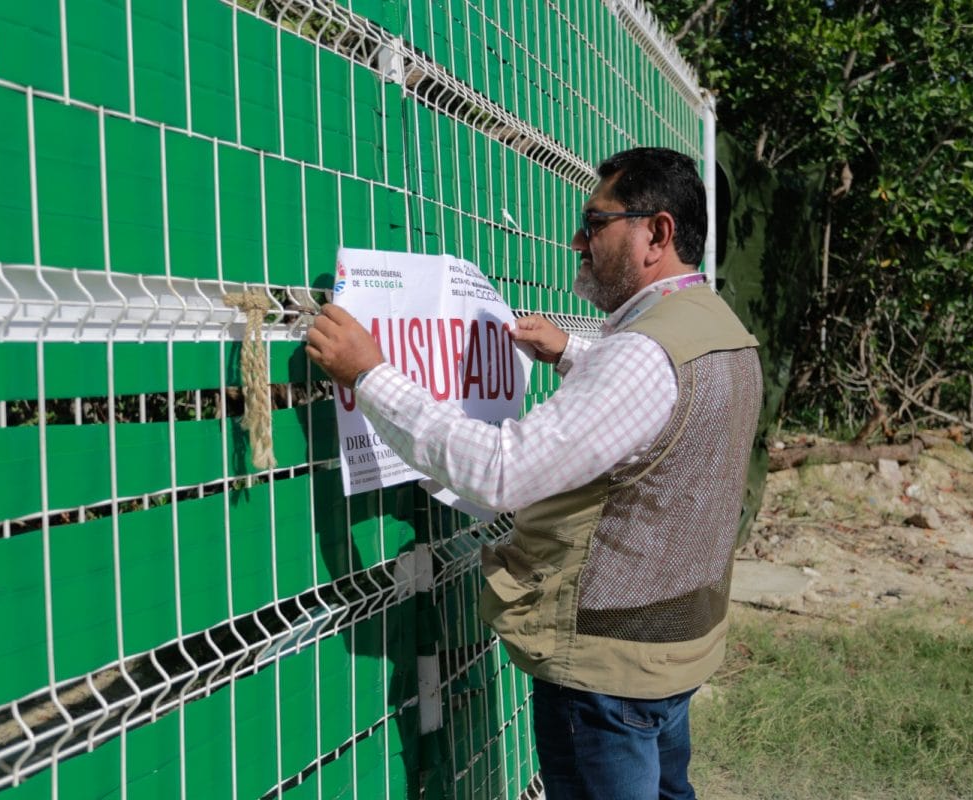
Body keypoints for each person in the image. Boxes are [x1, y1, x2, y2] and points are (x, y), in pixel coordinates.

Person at [307, 147, 762, 800]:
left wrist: (370, 375)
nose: (576, 239)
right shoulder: (717, 327)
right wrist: (574, 353)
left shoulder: (640, 354)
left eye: (595, 221)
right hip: (677, 643)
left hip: (609, 672)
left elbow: (500, 473)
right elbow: (667, 418)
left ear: (655, 234)